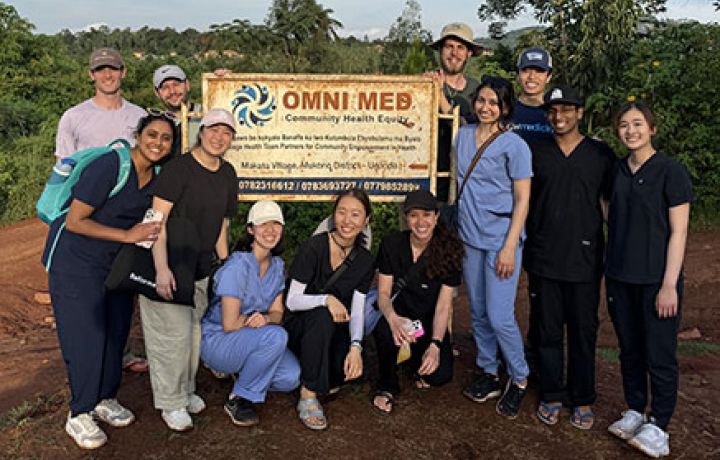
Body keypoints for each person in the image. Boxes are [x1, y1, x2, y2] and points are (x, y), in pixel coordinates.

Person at [41, 112, 175, 449]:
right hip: (75, 261)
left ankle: (104, 397)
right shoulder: (110, 166)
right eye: (152, 134)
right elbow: (75, 221)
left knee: (115, 332)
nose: (157, 143)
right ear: (138, 135)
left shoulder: (157, 176)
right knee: (87, 336)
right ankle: (80, 412)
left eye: (166, 138)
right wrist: (128, 235)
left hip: (113, 265)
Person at [139, 108, 238, 432]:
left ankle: (185, 390)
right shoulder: (178, 170)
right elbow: (156, 219)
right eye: (213, 130)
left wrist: (225, 265)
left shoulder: (227, 174)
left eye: (226, 132)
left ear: (232, 139)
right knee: (172, 337)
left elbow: (221, 224)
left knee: (192, 335)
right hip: (167, 264)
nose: (218, 137)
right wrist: (161, 268)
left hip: (199, 268)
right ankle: (171, 402)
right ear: (201, 131)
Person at [523, 85, 616, 429]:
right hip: (544, 256)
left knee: (582, 331)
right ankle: (551, 393)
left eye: (566, 110)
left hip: (585, 259)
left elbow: (609, 205)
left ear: (579, 112)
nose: (558, 117)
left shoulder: (600, 155)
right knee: (545, 330)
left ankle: (583, 399)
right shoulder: (535, 152)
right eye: (552, 111)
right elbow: (523, 200)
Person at [605, 102, 691, 458]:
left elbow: (679, 231)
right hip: (620, 277)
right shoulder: (616, 171)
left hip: (657, 280)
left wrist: (669, 282)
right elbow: (608, 211)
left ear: (652, 129)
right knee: (630, 349)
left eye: (638, 124)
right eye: (624, 125)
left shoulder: (671, 171)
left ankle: (659, 424)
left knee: (659, 353)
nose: (631, 131)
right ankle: (635, 409)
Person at [455, 76, 533, 419]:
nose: (486, 108)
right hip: (470, 237)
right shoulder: (462, 137)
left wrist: (509, 245)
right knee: (478, 312)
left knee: (501, 316)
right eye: (482, 101)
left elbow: (523, 198)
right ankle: (488, 370)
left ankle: (518, 377)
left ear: (504, 107)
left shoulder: (515, 146)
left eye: (494, 103)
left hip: (502, 240)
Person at [200, 200, 300, 426]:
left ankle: (246, 373)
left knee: (290, 377)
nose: (270, 230)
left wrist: (265, 318)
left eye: (276, 224)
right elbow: (230, 323)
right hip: (218, 339)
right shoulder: (238, 265)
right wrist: (258, 322)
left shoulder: (277, 266)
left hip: (250, 337)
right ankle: (239, 398)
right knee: (276, 336)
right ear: (250, 229)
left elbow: (277, 313)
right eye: (263, 224)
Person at [284, 189, 375, 430]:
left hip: (331, 329)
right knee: (322, 316)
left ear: (366, 220)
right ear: (333, 216)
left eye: (356, 214)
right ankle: (307, 395)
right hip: (299, 325)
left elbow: (357, 309)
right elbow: (292, 301)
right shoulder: (314, 247)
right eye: (342, 212)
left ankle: (318, 371)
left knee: (342, 371)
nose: (347, 220)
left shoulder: (365, 260)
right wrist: (326, 299)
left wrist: (356, 346)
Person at [371, 190, 463, 414]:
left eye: (426, 215)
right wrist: (393, 319)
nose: (420, 222)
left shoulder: (450, 250)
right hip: (399, 314)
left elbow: (443, 306)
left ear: (436, 217)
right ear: (406, 218)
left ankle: (414, 358)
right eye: (413, 215)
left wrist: (436, 345)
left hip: (427, 321)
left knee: (439, 376)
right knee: (384, 332)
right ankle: (387, 385)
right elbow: (383, 294)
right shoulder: (392, 245)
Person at [55, 48, 146, 160]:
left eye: (113, 69)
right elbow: (63, 167)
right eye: (100, 70)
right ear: (91, 75)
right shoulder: (72, 117)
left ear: (123, 72)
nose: (107, 75)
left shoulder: (140, 116)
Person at [427, 22, 483, 202]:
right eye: (449, 47)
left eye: (460, 48)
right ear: (440, 51)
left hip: (464, 183)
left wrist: (440, 96)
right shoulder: (422, 85)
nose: (454, 53)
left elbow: (470, 131)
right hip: (426, 182)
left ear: (469, 53)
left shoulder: (478, 91)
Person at [512, 47, 553, 143]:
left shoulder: (556, 114)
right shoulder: (504, 111)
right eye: (526, 70)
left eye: (539, 71)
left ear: (548, 77)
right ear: (518, 75)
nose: (532, 77)